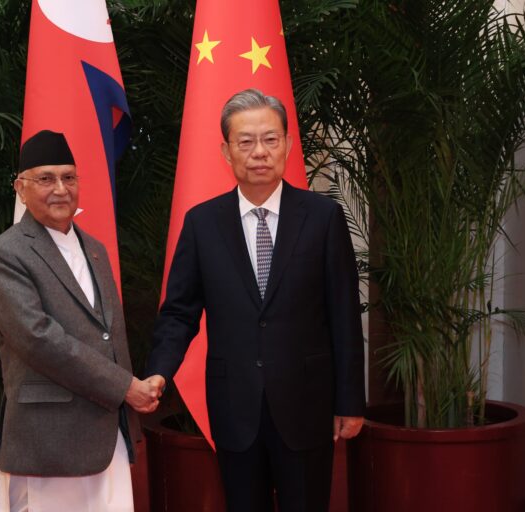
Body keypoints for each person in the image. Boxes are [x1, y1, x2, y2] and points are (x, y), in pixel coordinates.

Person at [145, 89, 366, 512]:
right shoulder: (202, 223)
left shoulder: (323, 217)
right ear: (226, 151)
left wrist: (350, 401)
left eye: (270, 139)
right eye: (245, 141)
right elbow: (179, 312)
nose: (259, 152)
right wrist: (159, 371)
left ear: (287, 144)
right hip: (235, 405)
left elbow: (344, 315)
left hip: (307, 403)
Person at [0, 130, 163, 512]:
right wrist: (125, 387)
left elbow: (107, 335)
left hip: (107, 432)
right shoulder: (4, 254)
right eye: (46, 179)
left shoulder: (95, 249)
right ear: (20, 188)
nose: (61, 189)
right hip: (50, 439)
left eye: (69, 177)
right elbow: (38, 340)